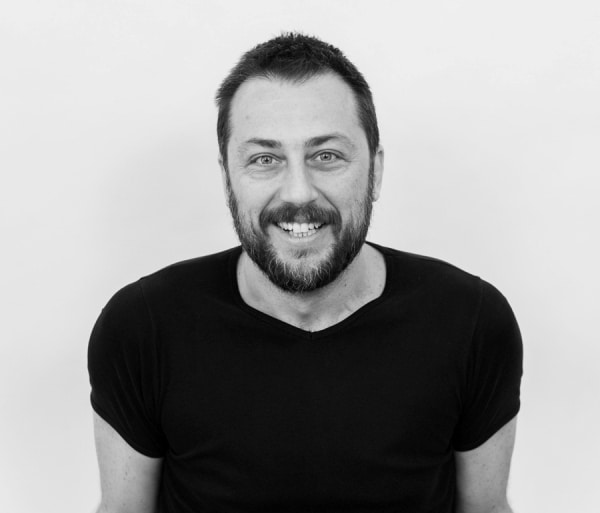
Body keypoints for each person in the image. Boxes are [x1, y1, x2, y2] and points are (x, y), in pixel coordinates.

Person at [88, 32, 523, 513]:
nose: (298, 192)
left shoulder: (470, 321)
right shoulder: (143, 327)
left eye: (326, 156)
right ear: (227, 176)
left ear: (375, 171)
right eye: (265, 159)